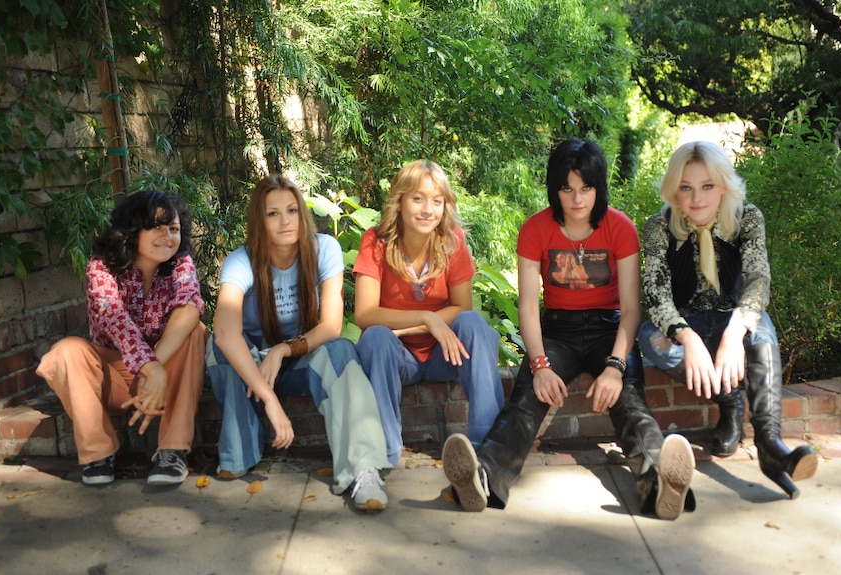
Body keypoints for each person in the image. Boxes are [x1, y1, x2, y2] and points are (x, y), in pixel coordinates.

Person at [441, 139, 696, 520]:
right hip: (557, 333)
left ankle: (659, 480)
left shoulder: (619, 228)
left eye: (586, 188)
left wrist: (614, 367)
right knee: (525, 402)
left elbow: (630, 310)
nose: (577, 199)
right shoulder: (536, 229)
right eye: (567, 189)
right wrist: (541, 364)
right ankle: (483, 477)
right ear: (555, 189)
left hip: (609, 329)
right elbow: (528, 305)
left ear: (598, 188)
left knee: (628, 400)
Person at [638, 140, 818, 498]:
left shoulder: (747, 218)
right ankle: (730, 401)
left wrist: (735, 334)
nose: (697, 198)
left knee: (761, 325)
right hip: (687, 323)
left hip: (732, 320)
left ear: (723, 185)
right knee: (649, 337)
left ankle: (770, 446)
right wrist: (688, 339)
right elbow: (654, 293)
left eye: (707, 186)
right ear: (674, 189)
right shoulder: (659, 227)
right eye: (686, 187)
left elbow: (758, 282)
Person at [206, 174, 391, 512]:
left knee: (341, 352)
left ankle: (363, 470)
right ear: (258, 220)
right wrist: (270, 401)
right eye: (272, 213)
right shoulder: (241, 261)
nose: (285, 221)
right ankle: (239, 453)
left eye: (292, 210)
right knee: (220, 347)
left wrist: (283, 349)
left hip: (301, 357)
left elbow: (332, 326)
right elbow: (225, 332)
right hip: (253, 364)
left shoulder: (324, 249)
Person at [36, 190, 207, 486]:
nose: (167, 236)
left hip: (165, 378)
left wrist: (154, 366)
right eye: (156, 226)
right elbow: (115, 320)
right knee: (64, 352)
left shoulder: (181, 264)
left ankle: (173, 450)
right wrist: (148, 367)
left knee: (194, 330)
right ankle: (98, 454)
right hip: (113, 379)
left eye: (174, 228)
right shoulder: (101, 268)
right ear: (131, 231)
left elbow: (190, 307)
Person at [353, 159, 504, 468]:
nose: (427, 210)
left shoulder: (453, 241)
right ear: (400, 201)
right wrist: (428, 318)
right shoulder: (376, 241)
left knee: (474, 324)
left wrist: (433, 325)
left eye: (437, 201)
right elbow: (365, 314)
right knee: (375, 338)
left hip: (442, 354)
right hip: (398, 357)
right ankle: (386, 454)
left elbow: (463, 309)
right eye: (418, 198)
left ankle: (486, 452)